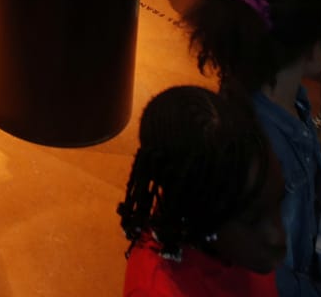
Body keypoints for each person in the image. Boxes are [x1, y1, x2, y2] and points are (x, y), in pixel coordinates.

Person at [186, 0, 321, 297]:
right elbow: (272, 273)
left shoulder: (294, 101)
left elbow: (318, 199)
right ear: (311, 50)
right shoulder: (258, 150)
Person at [118, 86, 286, 297]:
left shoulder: (240, 248)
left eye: (280, 202)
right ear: (201, 214)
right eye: (253, 220)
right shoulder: (155, 290)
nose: (279, 237)